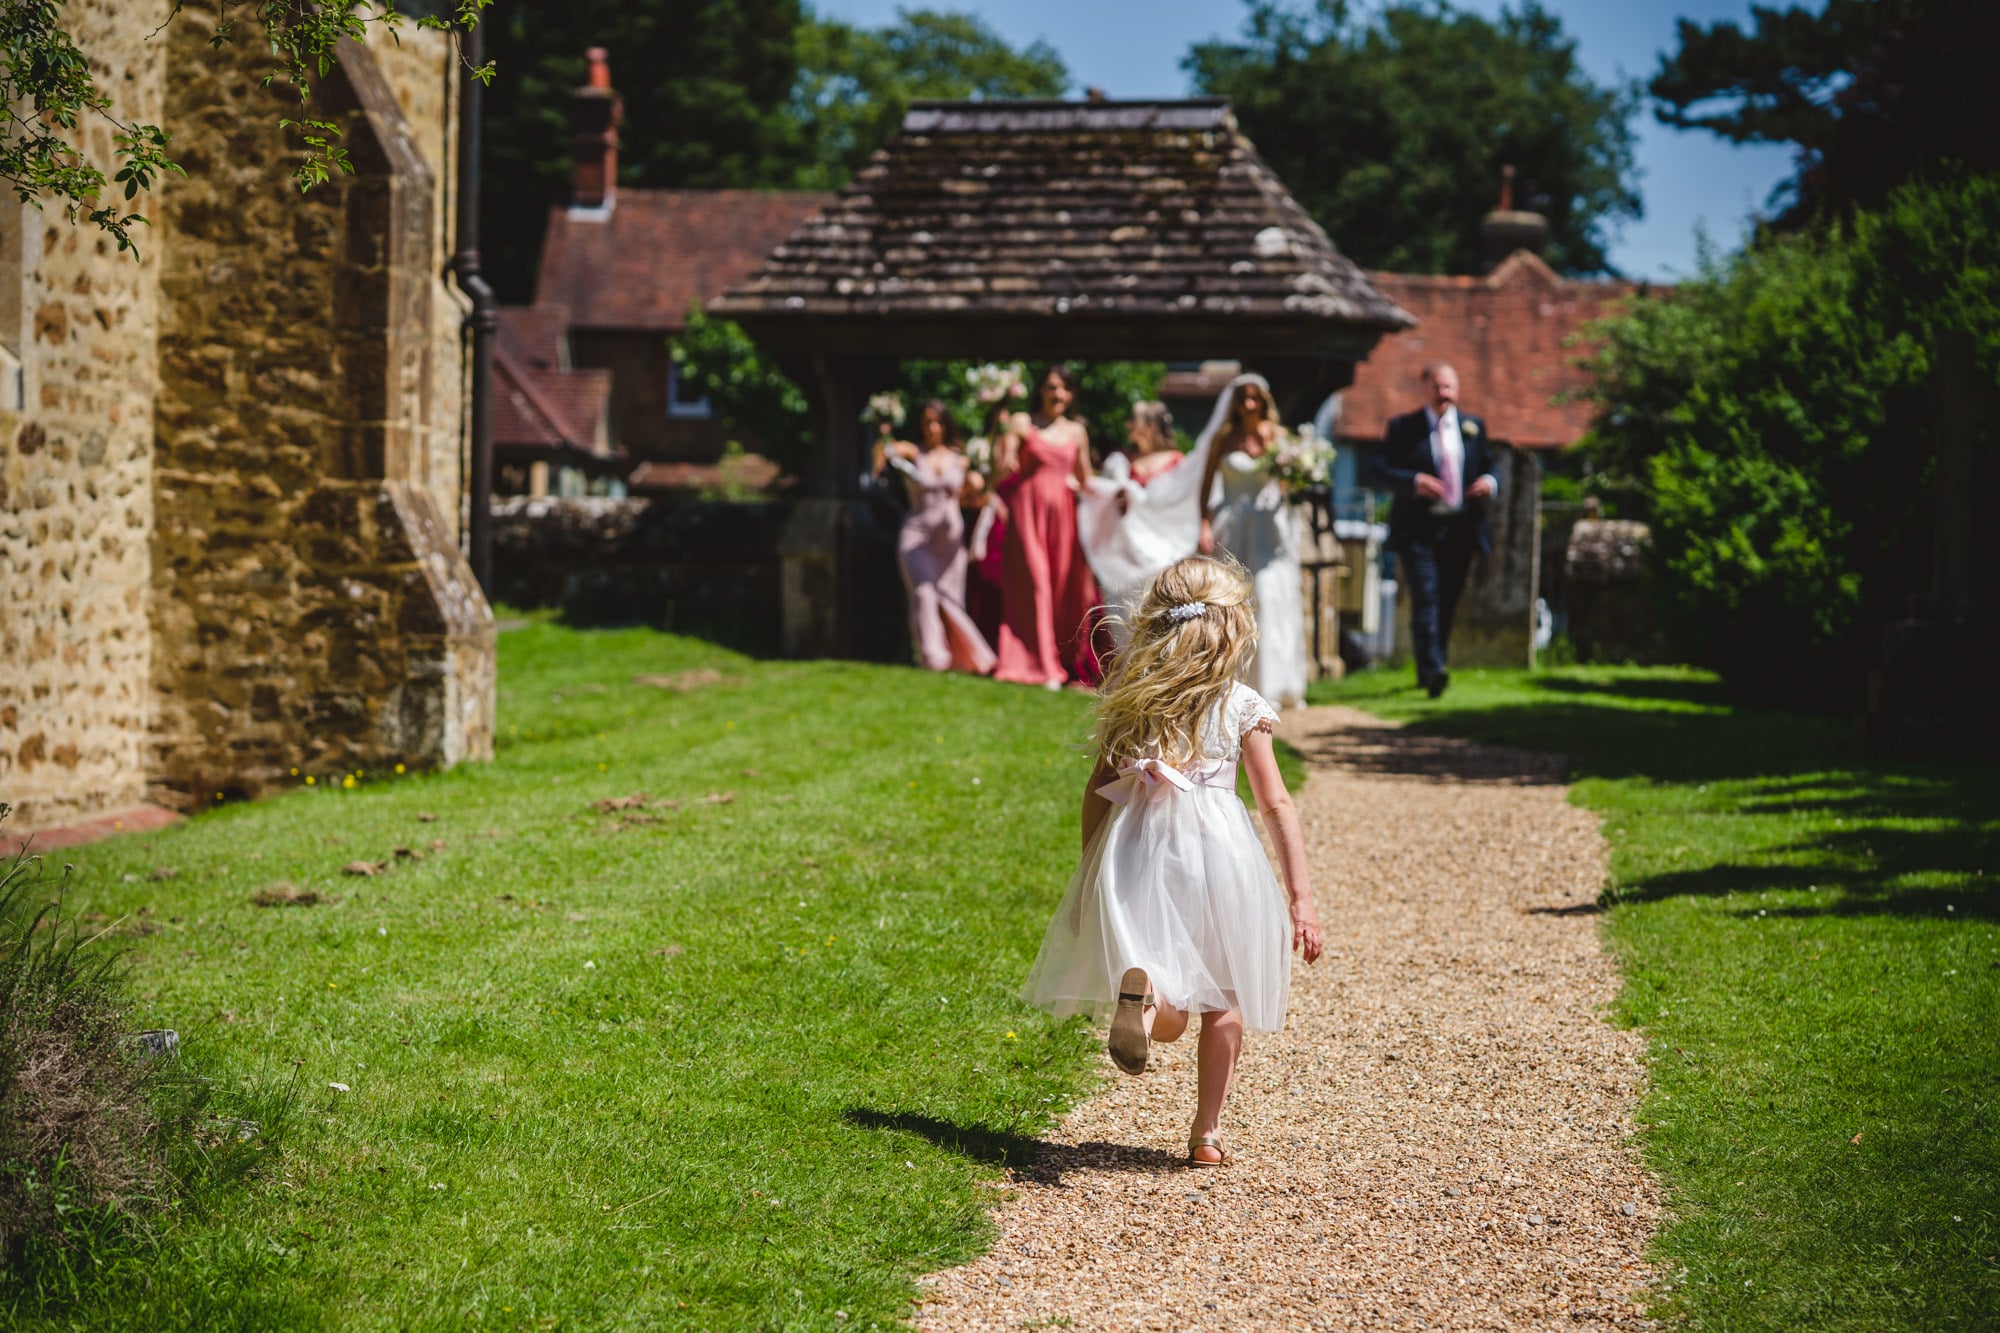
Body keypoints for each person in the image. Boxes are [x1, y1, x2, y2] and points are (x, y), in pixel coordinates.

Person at [1024, 555, 1323, 1167]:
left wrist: (1090, 873)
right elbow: (1276, 803)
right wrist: (1301, 898)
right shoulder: (1241, 703)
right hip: (1218, 851)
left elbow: (1095, 789)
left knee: (1167, 989)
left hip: (1137, 844)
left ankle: (1149, 997)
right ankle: (1206, 1133)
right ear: (1232, 628)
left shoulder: (1134, 696)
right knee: (1227, 994)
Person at [1371, 363, 1498, 698]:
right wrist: (1414, 481)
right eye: (1438, 387)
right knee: (1426, 598)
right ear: (1425, 388)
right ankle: (1431, 670)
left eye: (1449, 387)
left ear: (1457, 390)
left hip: (1460, 528)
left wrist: (1489, 482)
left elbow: (1489, 463)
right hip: (1418, 529)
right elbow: (1381, 470)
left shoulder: (1474, 426)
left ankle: (1436, 663)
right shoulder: (1403, 427)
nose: (1444, 394)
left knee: (1448, 600)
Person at [1198, 375, 1308, 707]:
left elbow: (1290, 483)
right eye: (1243, 398)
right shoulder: (1224, 438)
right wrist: (1203, 523)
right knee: (1230, 599)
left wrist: (1293, 470)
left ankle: (1273, 683)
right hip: (1230, 526)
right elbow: (1204, 486)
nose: (1249, 405)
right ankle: (1227, 679)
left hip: (1265, 528)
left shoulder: (1277, 437)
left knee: (1268, 595)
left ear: (1263, 401)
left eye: (1254, 398)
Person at [993, 366, 1101, 688]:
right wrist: (1007, 447)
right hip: (1028, 514)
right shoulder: (1023, 423)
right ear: (1040, 390)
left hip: (1064, 518)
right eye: (1052, 388)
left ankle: (1061, 659)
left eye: (1064, 389)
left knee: (1060, 589)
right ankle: (1041, 667)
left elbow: (1087, 480)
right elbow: (1003, 463)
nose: (1058, 395)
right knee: (1037, 584)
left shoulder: (1076, 432)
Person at [876, 399, 996, 674]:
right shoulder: (912, 452)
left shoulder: (962, 458)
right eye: (926, 422)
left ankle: (964, 657)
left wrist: (977, 486)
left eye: (937, 422)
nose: (932, 428)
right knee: (924, 592)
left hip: (950, 543)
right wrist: (883, 434)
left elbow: (973, 500)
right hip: (916, 536)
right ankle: (933, 658)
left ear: (946, 424)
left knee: (950, 599)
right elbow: (885, 450)